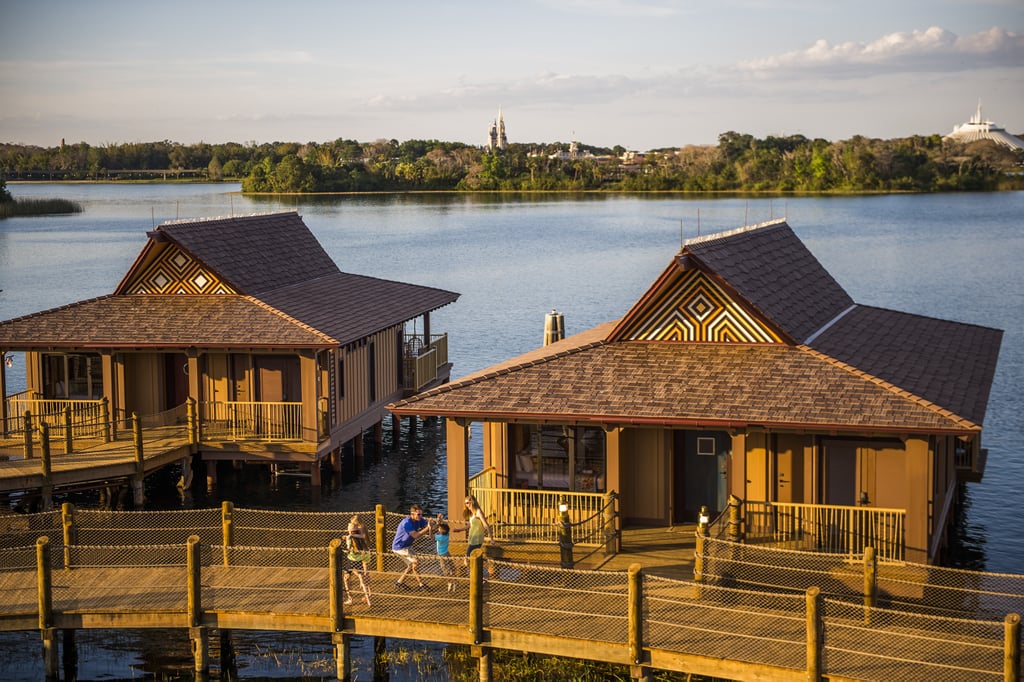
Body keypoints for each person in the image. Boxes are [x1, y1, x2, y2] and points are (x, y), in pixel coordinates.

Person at [392, 504, 431, 589]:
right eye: (418, 514)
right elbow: (416, 535)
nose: (421, 516)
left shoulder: (419, 519)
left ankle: (400, 583)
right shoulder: (406, 523)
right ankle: (420, 584)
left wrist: (438, 523)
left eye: (421, 514)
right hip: (399, 547)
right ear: (412, 514)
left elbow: (429, 526)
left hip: (407, 546)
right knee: (415, 562)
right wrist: (428, 528)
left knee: (413, 564)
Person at [434, 513, 467, 592]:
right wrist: (441, 521)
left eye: (439, 529)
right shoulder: (447, 534)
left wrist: (432, 526)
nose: (438, 529)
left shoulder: (439, 537)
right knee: (452, 568)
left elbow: (432, 535)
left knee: (445, 570)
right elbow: (445, 527)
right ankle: (455, 581)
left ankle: (449, 583)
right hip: (447, 553)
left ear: (440, 531)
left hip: (441, 555)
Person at [343, 515, 372, 606]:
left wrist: (345, 549)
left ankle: (350, 598)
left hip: (351, 560)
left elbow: (348, 549)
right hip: (360, 558)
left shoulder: (350, 537)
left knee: (346, 578)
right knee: (362, 577)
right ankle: (368, 599)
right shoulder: (361, 537)